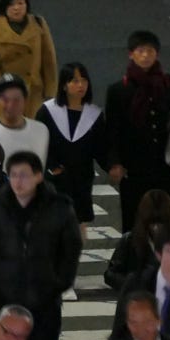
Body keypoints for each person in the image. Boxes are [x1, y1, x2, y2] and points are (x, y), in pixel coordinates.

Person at [0, 149, 82, 340]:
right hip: (5, 296)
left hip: (44, 297)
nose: (18, 182)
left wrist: (60, 282)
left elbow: (71, 248)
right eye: (13, 175)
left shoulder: (58, 207)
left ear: (38, 176)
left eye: (24, 175)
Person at [104, 30, 170, 233]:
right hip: (133, 164)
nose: (145, 56)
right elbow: (112, 130)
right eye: (140, 51)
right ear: (131, 54)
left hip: (165, 161)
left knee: (169, 214)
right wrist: (114, 162)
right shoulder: (118, 90)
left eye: (150, 51)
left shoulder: (168, 83)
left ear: (157, 54)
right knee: (134, 217)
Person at [37, 63, 106, 231]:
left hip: (81, 181)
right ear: (64, 85)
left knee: (78, 226)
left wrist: (112, 166)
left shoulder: (94, 115)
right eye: (74, 81)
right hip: (54, 181)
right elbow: (38, 143)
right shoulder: (48, 111)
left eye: (84, 80)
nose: (81, 85)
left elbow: (101, 148)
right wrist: (52, 168)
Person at [0, 0, 58, 122]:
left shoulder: (38, 23)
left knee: (33, 130)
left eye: (20, 3)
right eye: (11, 4)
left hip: (33, 94)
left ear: (26, 4)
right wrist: (2, 87)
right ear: (4, 6)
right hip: (2, 95)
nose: (16, 8)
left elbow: (49, 60)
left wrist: (51, 93)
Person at [103, 189, 170, 292]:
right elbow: (110, 274)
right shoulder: (129, 240)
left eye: (160, 223)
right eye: (152, 223)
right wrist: (131, 284)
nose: (156, 228)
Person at [0, 74, 50, 172]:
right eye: (5, 100)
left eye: (16, 100)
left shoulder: (40, 131)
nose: (10, 105)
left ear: (25, 101)